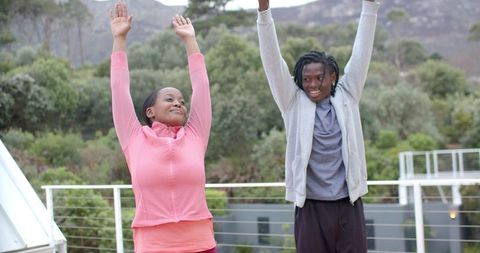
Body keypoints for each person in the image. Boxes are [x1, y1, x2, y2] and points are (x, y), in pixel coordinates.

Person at [256, 0, 380, 252]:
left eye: (319, 78)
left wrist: (370, 5)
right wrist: (263, 11)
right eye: (306, 79)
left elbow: (361, 51)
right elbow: (272, 61)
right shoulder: (292, 102)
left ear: (332, 77)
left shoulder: (348, 95)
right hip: (310, 207)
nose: (312, 85)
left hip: (348, 205)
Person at [109, 1, 216, 252]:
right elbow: (119, 89)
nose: (178, 103)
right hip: (153, 245)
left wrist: (190, 41)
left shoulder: (195, 136)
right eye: (169, 99)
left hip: (200, 242)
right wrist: (119, 39)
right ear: (150, 112)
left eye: (181, 101)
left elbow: (202, 88)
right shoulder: (134, 138)